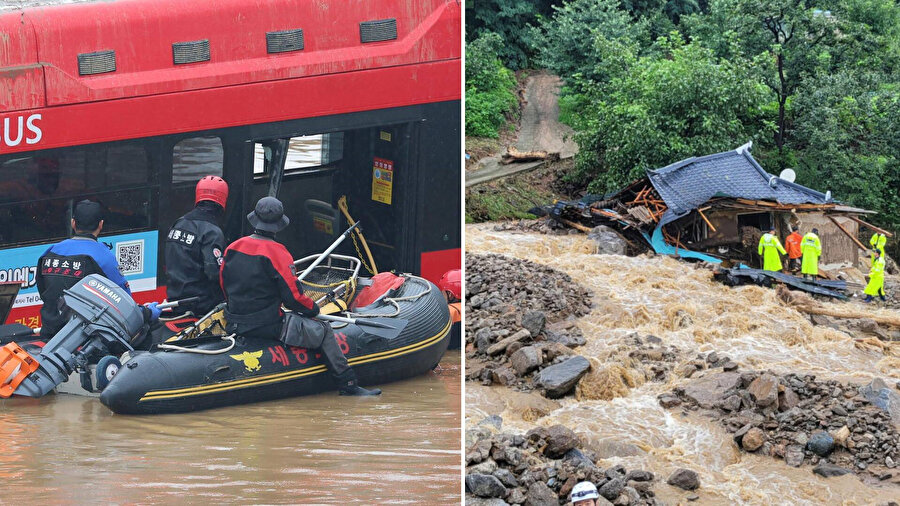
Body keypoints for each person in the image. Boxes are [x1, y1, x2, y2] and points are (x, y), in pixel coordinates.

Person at [219, 196, 381, 396]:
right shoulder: (278, 253)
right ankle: (348, 384)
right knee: (323, 330)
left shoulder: (232, 247)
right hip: (267, 325)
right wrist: (312, 309)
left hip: (234, 322)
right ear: (278, 225)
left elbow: (224, 285)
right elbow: (293, 299)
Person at [36, 200, 160, 338]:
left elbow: (44, 291)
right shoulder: (104, 257)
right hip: (84, 341)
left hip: (49, 335)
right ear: (101, 225)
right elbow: (127, 307)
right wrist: (147, 312)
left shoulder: (50, 252)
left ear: (73, 223)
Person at [165, 176, 228, 316]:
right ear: (223, 201)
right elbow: (215, 273)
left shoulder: (179, 223)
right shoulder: (212, 232)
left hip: (175, 298)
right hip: (201, 304)